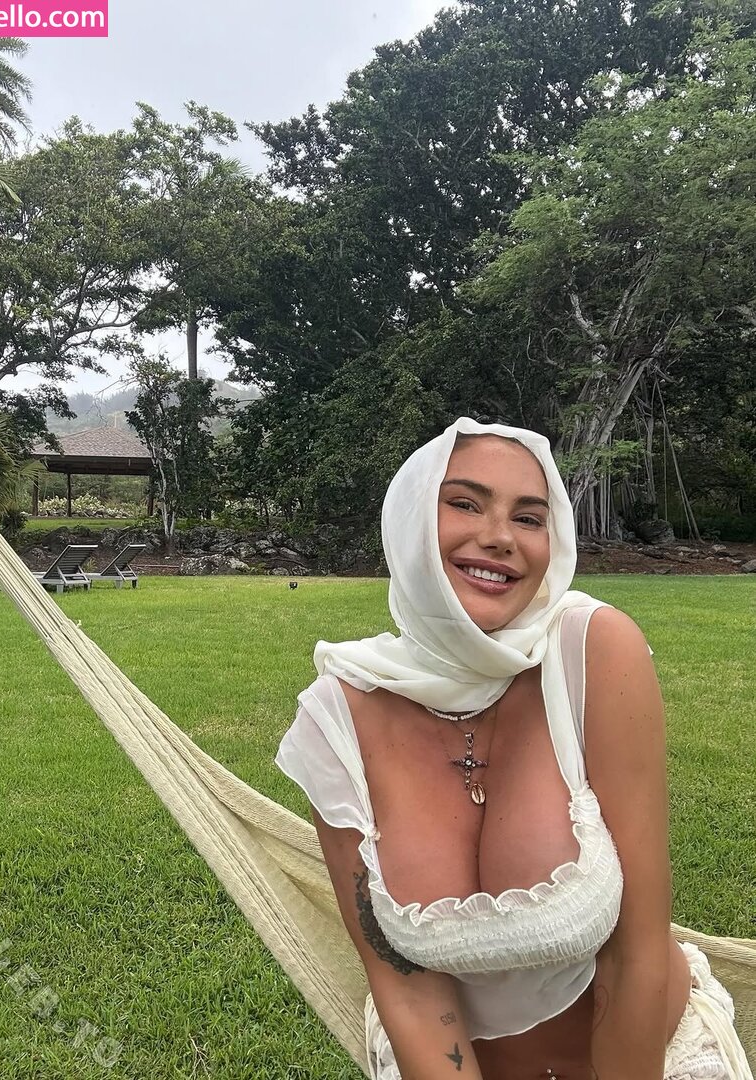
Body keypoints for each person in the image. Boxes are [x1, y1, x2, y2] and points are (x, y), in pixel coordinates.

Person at [275, 418, 753, 1080]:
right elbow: (406, 990)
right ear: (409, 521)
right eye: (465, 504)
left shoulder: (591, 653)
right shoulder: (337, 718)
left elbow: (637, 952)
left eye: (529, 518)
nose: (500, 537)